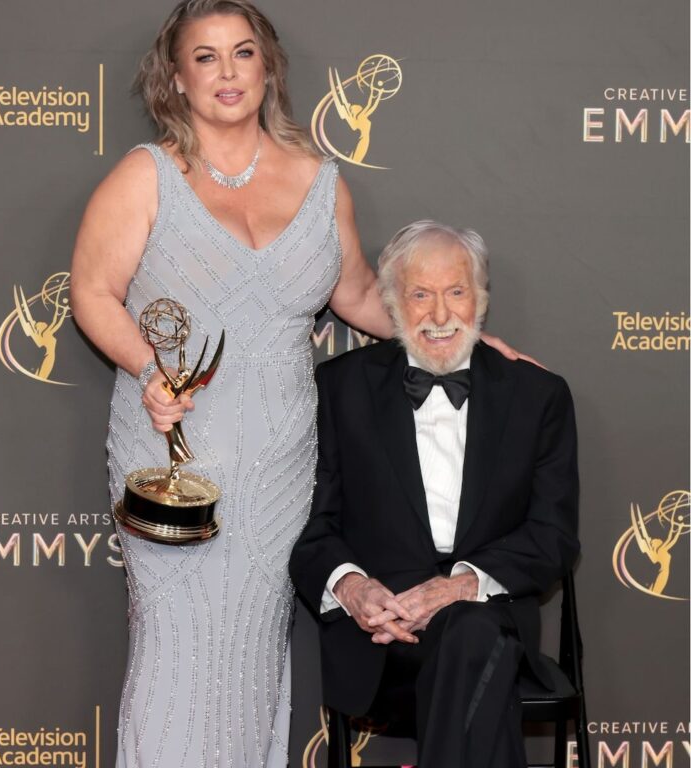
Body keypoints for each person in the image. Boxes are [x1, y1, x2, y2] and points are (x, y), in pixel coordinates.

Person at [70, 2, 526, 765]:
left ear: (268, 67)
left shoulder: (321, 182)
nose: (226, 73)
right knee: (175, 646)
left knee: (252, 653)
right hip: (172, 453)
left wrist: (459, 339)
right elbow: (91, 292)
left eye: (242, 53)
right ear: (175, 78)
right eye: (206, 57)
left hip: (282, 459)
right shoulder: (146, 177)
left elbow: (354, 296)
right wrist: (149, 368)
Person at [289, 221, 580, 768]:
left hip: (491, 633)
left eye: (456, 292)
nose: (441, 315)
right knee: (474, 655)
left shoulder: (538, 397)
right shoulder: (340, 388)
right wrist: (351, 587)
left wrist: (463, 585)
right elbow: (311, 529)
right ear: (393, 303)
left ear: (482, 300)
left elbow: (554, 536)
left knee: (471, 630)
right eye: (421, 294)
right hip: (380, 643)